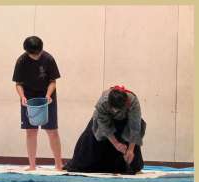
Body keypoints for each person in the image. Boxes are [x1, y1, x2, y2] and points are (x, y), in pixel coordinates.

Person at [66, 86, 146, 174]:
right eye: (114, 109)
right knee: (91, 144)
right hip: (105, 122)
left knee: (133, 162)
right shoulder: (103, 102)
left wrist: (130, 149)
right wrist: (116, 144)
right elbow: (104, 127)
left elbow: (135, 127)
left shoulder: (133, 101)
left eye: (119, 110)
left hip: (125, 123)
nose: (116, 112)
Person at [12, 36, 63, 171]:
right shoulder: (21, 61)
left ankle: (59, 165)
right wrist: (22, 97)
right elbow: (18, 84)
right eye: (33, 54)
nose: (36, 56)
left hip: (47, 96)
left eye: (38, 53)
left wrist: (48, 95)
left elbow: (53, 81)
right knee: (31, 131)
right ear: (26, 51)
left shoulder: (48, 59)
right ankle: (32, 165)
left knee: (52, 131)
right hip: (28, 97)